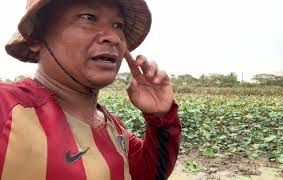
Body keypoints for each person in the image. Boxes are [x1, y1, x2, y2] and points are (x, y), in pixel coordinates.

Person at [0, 0, 181, 179]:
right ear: (36, 37)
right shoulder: (6, 107)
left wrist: (162, 118)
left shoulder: (114, 127)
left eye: (118, 25)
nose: (114, 38)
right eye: (89, 17)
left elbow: (148, 174)